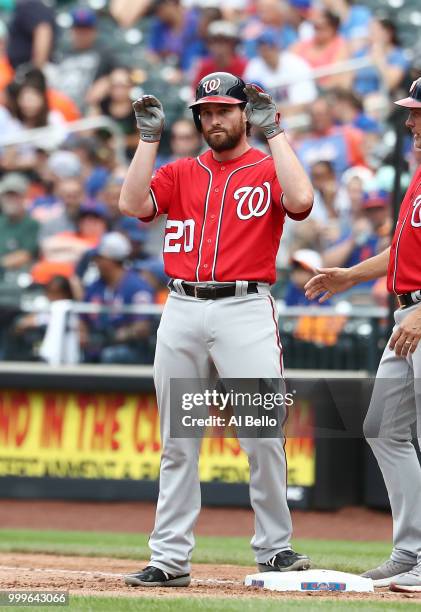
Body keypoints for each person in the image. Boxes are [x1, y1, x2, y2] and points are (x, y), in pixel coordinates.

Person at [119, 71, 313, 587]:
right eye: (205, 112)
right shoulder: (182, 171)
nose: (213, 119)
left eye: (223, 110)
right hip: (181, 308)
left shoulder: (267, 167)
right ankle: (169, 558)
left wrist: (276, 133)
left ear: (243, 114)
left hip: (244, 310)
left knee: (262, 435)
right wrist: (147, 142)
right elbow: (133, 205)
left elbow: (300, 202)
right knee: (177, 441)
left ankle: (275, 548)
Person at [304, 77, 421, 592]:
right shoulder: (419, 176)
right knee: (382, 428)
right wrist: (350, 275)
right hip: (406, 316)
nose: (411, 121)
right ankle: (410, 550)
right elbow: (405, 254)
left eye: (418, 112)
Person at [79, 232, 155, 364]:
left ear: (111, 260)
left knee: (111, 355)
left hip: (130, 348)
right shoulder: (95, 286)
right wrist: (84, 335)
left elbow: (143, 327)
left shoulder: (137, 286)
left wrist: (115, 336)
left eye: (99, 258)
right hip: (97, 345)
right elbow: (82, 319)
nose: (95, 262)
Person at [243, 28, 317, 113]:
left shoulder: (295, 63)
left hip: (298, 115)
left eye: (269, 47)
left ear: (277, 47)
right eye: (261, 47)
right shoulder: (254, 67)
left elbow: (305, 101)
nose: (265, 52)